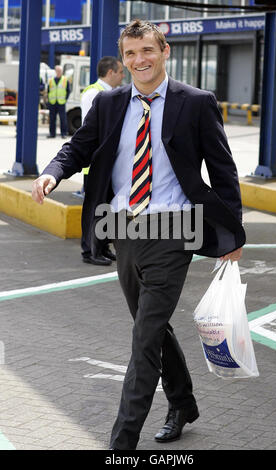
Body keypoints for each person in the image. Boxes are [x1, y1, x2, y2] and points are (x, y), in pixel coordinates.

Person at [32, 20, 245, 450]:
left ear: (165, 51)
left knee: (144, 339)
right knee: (152, 326)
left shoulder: (196, 103)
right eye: (130, 54)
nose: (138, 61)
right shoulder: (110, 104)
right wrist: (53, 173)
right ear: (123, 59)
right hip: (123, 227)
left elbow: (223, 171)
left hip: (175, 229)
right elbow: (78, 146)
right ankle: (183, 402)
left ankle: (122, 444)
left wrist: (232, 232)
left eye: (147, 50)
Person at [80, 57, 124, 266]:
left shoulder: (111, 94)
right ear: (110, 72)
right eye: (120, 72)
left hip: (110, 164)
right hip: (95, 163)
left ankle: (103, 246)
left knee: (106, 208)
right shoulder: (94, 93)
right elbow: (92, 131)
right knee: (93, 208)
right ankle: (90, 250)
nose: (123, 76)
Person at [47, 65, 70, 138]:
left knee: (63, 119)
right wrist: (49, 100)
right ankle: (52, 134)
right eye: (57, 71)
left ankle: (63, 133)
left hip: (61, 102)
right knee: (52, 119)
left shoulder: (65, 80)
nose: (58, 72)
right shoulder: (51, 80)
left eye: (60, 71)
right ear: (55, 71)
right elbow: (48, 91)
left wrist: (65, 99)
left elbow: (68, 91)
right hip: (52, 102)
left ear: (62, 72)